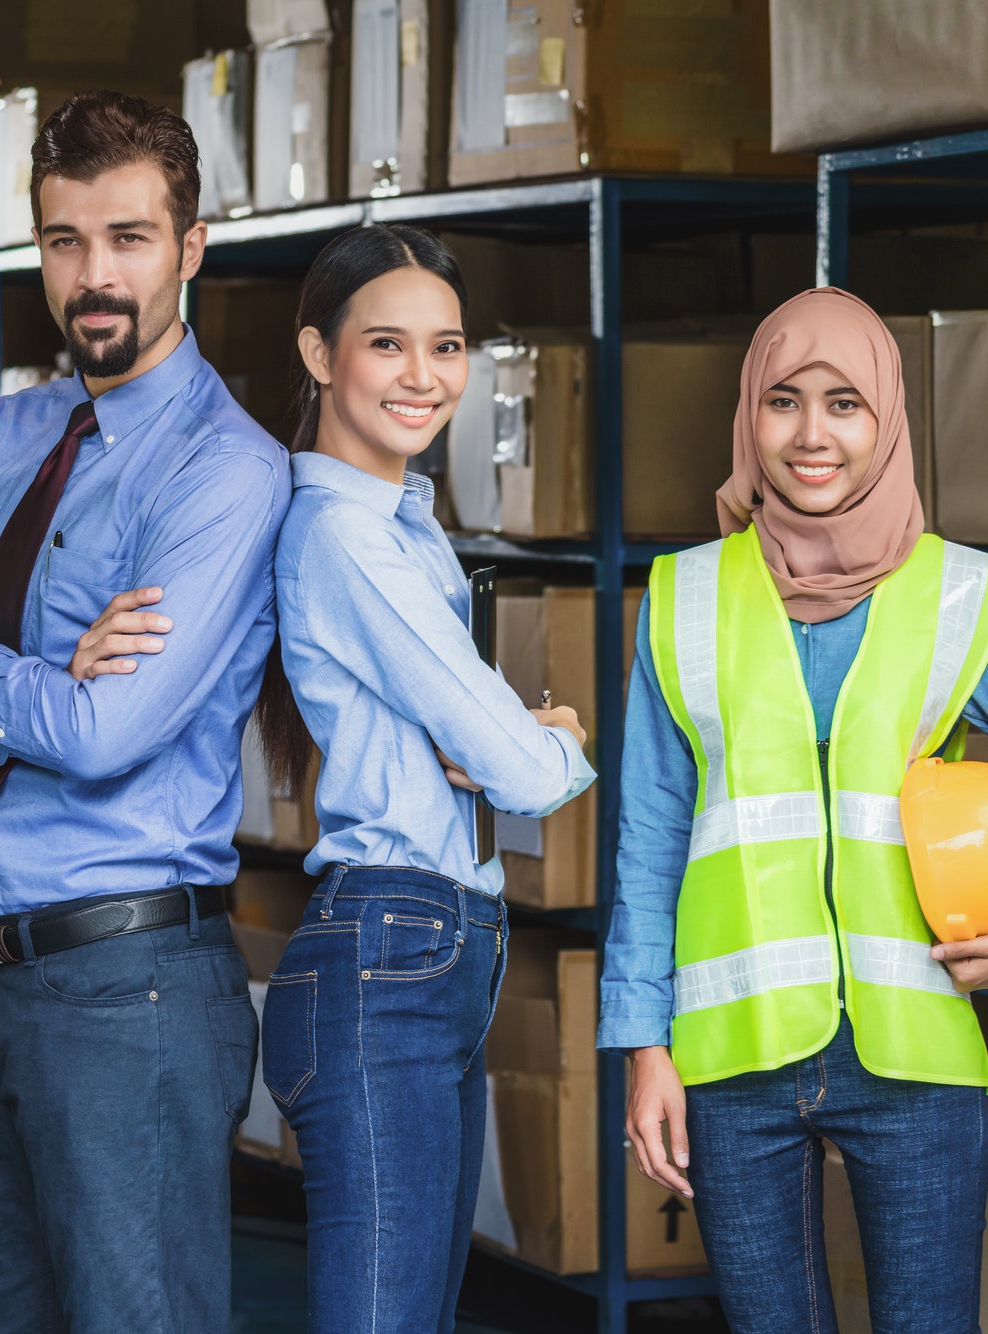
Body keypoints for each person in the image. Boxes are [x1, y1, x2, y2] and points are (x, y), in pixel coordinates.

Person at [600, 287, 988, 1334]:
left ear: (886, 419)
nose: (809, 433)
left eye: (843, 403)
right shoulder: (682, 597)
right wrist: (638, 1042)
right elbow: (647, 838)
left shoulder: (960, 594)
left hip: (912, 1054)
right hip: (730, 1053)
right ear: (746, 413)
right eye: (782, 400)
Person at [0, 90, 288, 1332]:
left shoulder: (223, 470)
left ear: (190, 246)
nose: (92, 277)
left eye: (128, 239)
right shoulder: (11, 432)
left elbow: (107, 736)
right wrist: (18, 678)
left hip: (129, 990)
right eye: (63, 242)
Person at [251, 223, 594, 1332]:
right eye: (385, 345)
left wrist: (502, 735)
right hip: (387, 951)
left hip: (426, 951)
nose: (422, 377)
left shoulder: (407, 528)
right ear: (318, 356)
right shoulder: (346, 538)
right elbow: (516, 768)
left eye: (444, 348)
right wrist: (547, 734)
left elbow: (481, 740)